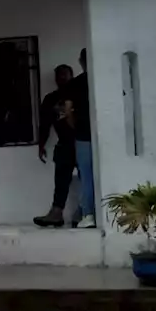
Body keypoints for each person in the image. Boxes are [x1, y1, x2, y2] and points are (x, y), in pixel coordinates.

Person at [33, 64, 76, 227]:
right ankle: (56, 214)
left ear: (72, 76)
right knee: (61, 180)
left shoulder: (80, 93)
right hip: (65, 144)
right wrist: (41, 144)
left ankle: (88, 214)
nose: (62, 79)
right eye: (59, 76)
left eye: (65, 75)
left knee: (89, 180)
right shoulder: (51, 98)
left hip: (83, 143)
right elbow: (44, 124)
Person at [64, 48, 94, 228]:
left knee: (86, 174)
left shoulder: (74, 84)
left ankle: (88, 214)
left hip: (83, 134)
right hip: (102, 133)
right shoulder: (102, 80)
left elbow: (68, 111)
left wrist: (76, 126)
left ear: (81, 61)